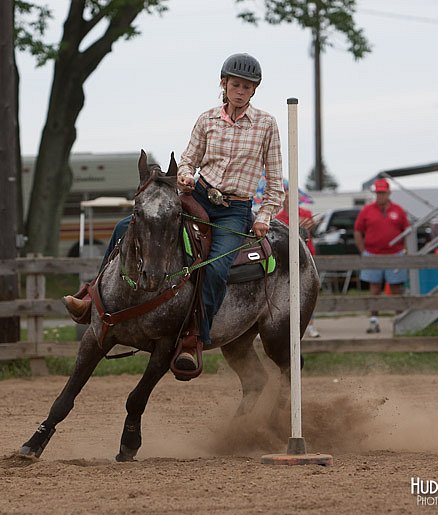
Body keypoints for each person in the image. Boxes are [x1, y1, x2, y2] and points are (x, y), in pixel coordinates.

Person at [64, 52, 284, 372]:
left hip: (233, 209)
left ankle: (194, 338)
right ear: (223, 85)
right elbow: (190, 158)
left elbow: (275, 179)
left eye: (248, 87)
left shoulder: (266, 125)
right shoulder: (207, 119)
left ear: (254, 91)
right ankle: (90, 299)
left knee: (216, 267)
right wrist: (185, 174)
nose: (241, 91)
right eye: (235, 84)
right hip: (197, 196)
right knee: (126, 226)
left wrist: (264, 216)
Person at [353, 177, 410, 333]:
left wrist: (405, 250)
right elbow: (357, 230)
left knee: (396, 288)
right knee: (374, 288)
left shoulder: (398, 210)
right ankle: (374, 321)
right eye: (378, 193)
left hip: (395, 254)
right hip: (373, 253)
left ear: (389, 193)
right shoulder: (367, 210)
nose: (380, 196)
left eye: (383, 193)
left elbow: (407, 232)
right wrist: (362, 250)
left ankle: (400, 322)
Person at [274, 180, 320, 338]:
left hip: (306, 256)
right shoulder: (278, 218)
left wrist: (308, 226)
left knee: (307, 293)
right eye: (286, 198)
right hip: (286, 261)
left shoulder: (305, 214)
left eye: (292, 198)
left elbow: (312, 229)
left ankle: (311, 325)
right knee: (283, 293)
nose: (289, 201)